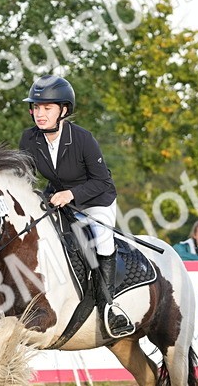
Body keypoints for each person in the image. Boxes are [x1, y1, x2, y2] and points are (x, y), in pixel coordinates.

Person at [18, 74, 134, 337]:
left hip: (95, 199)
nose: (40, 114)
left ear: (63, 110)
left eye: (47, 108)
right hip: (57, 198)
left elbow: (102, 181)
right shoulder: (29, 139)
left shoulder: (83, 139)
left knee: (102, 239)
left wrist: (71, 194)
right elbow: (25, 177)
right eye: (36, 107)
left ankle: (109, 307)